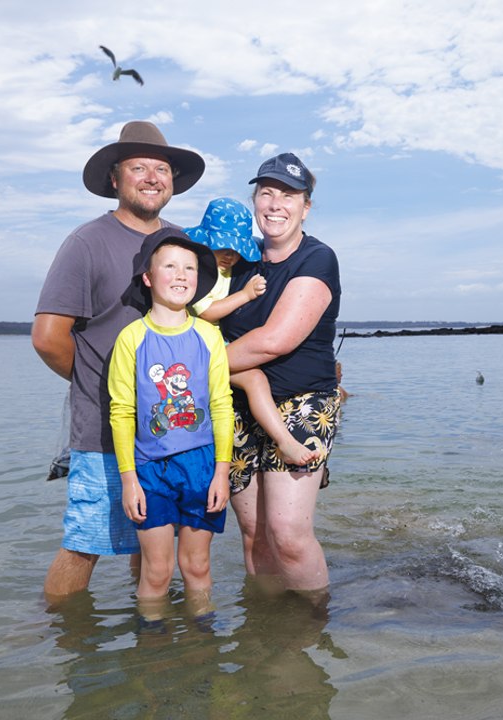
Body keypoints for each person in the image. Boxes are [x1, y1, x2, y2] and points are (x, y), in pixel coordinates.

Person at [32, 120, 205, 601]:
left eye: (161, 169)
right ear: (115, 178)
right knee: (83, 545)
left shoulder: (180, 242)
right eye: (138, 168)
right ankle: (61, 635)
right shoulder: (88, 242)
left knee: (154, 543)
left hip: (171, 427)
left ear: (172, 181)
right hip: (106, 428)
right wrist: (102, 383)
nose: (152, 178)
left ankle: (148, 632)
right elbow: (48, 338)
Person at [220, 152, 343, 596]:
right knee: (255, 536)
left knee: (288, 536)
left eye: (288, 195)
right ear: (254, 201)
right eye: (266, 193)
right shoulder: (238, 262)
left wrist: (193, 367)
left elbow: (274, 341)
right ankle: (268, 622)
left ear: (305, 207)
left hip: (302, 401)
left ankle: (314, 618)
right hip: (236, 405)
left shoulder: (318, 258)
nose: (275, 204)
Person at [108, 227, 233, 617]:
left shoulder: (208, 336)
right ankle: (152, 642)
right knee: (157, 571)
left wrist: (222, 472)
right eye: (170, 267)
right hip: (150, 468)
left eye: (190, 268)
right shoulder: (131, 338)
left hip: (202, 465)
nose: (181, 275)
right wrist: (129, 480)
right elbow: (121, 412)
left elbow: (222, 405)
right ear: (148, 278)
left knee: (197, 566)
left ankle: (203, 639)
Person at [185, 197, 319, 467]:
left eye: (237, 250)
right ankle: (284, 440)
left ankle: (279, 440)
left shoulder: (229, 269)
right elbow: (206, 311)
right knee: (255, 379)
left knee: (254, 381)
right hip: (196, 349)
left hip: (216, 346)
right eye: (223, 247)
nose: (230, 255)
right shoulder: (198, 271)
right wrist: (245, 295)